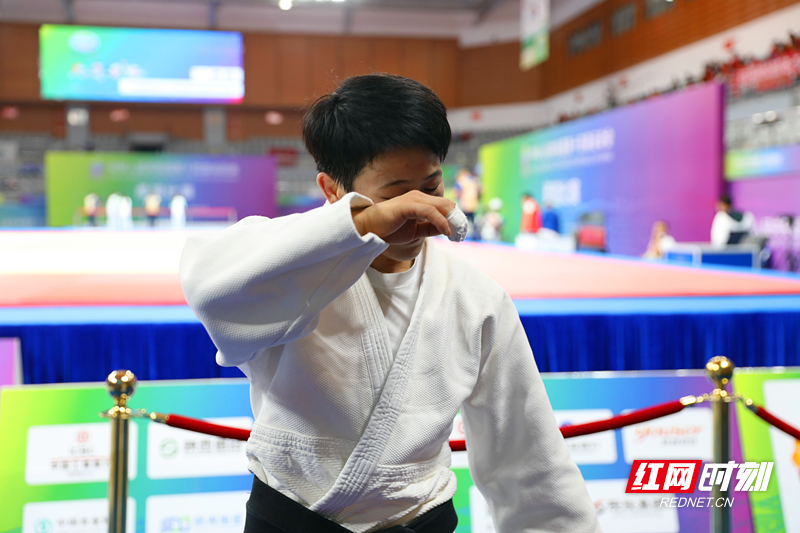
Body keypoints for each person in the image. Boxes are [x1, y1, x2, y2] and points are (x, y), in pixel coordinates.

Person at [180, 74, 600, 533]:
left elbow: (527, 456)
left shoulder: (475, 298)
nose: (417, 211)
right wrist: (363, 225)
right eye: (397, 195)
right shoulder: (291, 272)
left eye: (431, 188)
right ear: (332, 190)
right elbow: (209, 285)